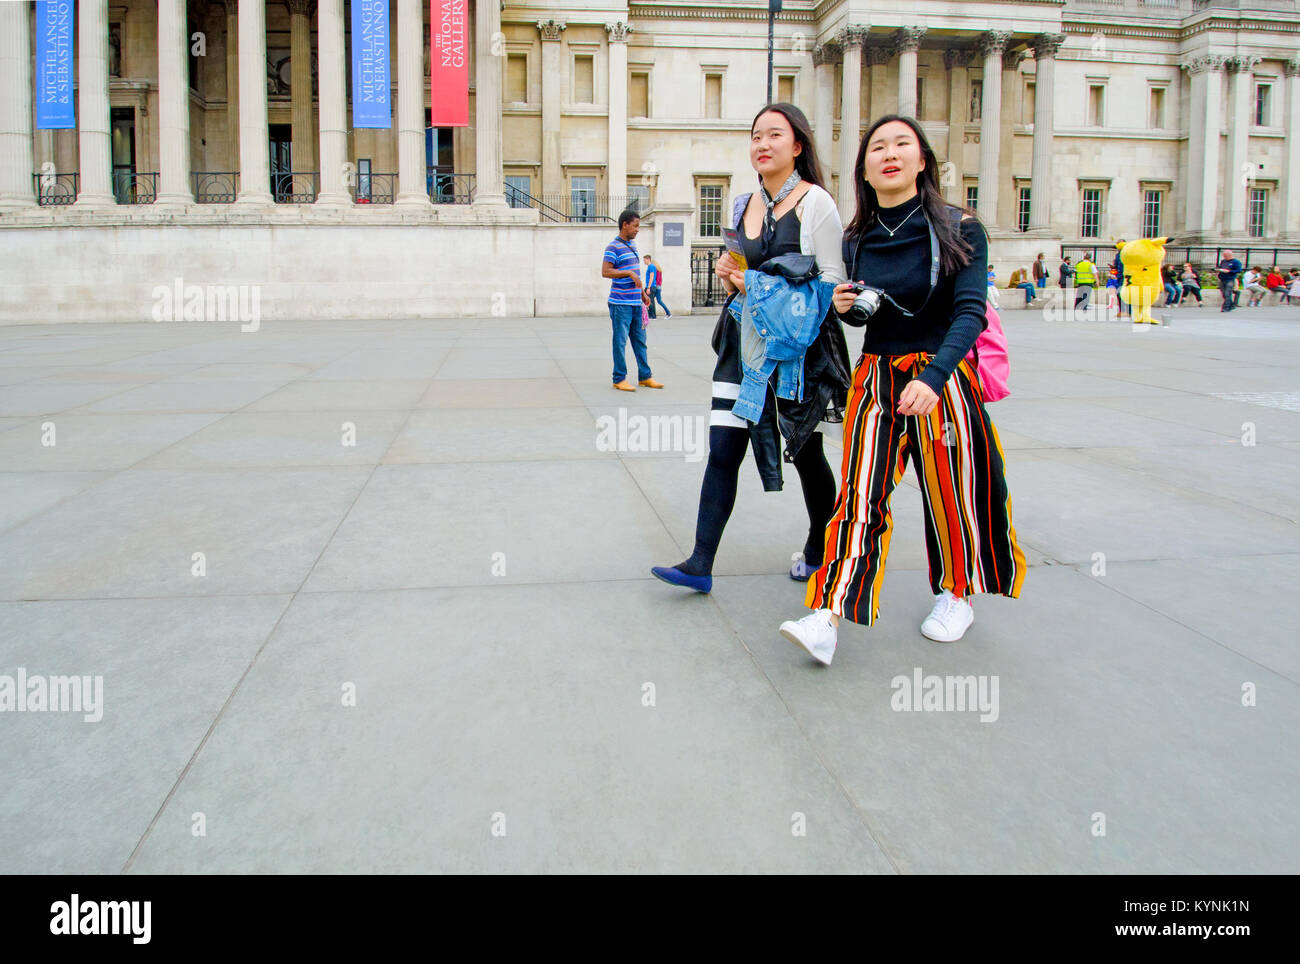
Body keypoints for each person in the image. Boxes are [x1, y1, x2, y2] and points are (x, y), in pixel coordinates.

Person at [778, 114, 1025, 664]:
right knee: (859, 498)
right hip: (877, 378)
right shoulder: (856, 238)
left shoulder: (961, 226)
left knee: (955, 495)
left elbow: (969, 312)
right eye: (877, 148)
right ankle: (827, 613)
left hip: (943, 380)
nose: (889, 154)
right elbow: (867, 316)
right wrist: (842, 307)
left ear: (921, 160)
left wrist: (935, 378)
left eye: (902, 145)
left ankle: (957, 594)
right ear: (864, 170)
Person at [651, 103, 847, 594]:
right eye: (756, 135)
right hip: (743, 344)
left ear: (797, 145)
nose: (762, 144)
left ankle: (822, 549)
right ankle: (700, 562)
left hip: (799, 352)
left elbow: (833, 283)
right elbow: (737, 265)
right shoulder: (742, 205)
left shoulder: (816, 203)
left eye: (774, 135)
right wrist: (730, 274)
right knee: (722, 449)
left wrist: (755, 283)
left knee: (806, 453)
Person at [601, 211, 662, 390]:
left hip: (636, 302)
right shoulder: (613, 247)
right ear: (624, 224)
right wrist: (628, 273)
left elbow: (636, 274)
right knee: (620, 342)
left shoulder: (633, 245)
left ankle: (645, 376)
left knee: (640, 341)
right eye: (635, 226)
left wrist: (643, 294)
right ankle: (619, 378)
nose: (637, 230)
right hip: (620, 304)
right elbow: (606, 271)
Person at [643, 254, 672, 319]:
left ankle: (652, 315)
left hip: (653, 286)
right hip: (655, 286)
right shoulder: (654, 268)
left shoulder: (651, 267)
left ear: (648, 259)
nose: (644, 261)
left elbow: (652, 277)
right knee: (656, 301)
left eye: (644, 260)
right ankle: (666, 313)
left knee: (651, 301)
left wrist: (648, 287)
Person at [1113, 241, 1129, 317]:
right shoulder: (1118, 255)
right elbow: (1116, 265)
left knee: (1124, 293)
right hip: (1120, 276)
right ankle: (1122, 311)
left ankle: (1128, 311)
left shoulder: (1128, 254)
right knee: (1119, 293)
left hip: (1126, 276)